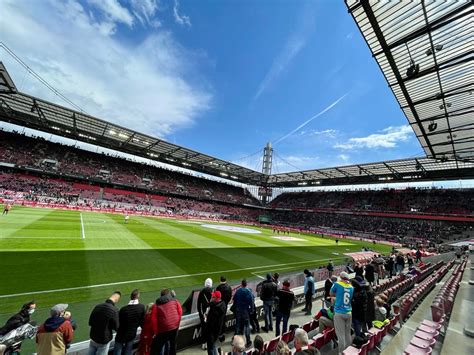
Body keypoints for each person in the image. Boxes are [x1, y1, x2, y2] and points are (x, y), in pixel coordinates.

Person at [150, 289, 182, 355]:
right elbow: (180, 312)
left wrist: (156, 332)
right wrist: (177, 324)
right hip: (174, 327)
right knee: (173, 346)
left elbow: (153, 320)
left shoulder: (156, 305)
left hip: (163, 329)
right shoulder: (175, 301)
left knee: (155, 349)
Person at [114, 289, 145, 355]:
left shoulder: (123, 309)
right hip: (131, 334)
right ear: (138, 296)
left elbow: (118, 322)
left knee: (117, 352)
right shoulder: (141, 307)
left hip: (121, 334)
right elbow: (142, 322)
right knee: (128, 351)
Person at [330, 272, 354, 354]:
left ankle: (341, 353)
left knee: (341, 336)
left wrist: (336, 296)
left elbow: (331, 293)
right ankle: (348, 352)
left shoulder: (337, 284)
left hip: (339, 313)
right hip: (348, 312)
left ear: (341, 277)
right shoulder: (351, 287)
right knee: (348, 334)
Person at [233, 279, 253, 348]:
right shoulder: (248, 292)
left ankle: (234, 340)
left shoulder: (238, 291)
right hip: (245, 311)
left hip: (239, 310)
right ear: (246, 284)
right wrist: (251, 310)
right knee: (247, 326)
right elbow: (251, 302)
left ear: (241, 284)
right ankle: (248, 341)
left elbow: (234, 299)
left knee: (238, 324)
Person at [206, 291, 226, 355]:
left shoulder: (215, 309)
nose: (211, 298)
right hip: (216, 332)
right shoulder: (221, 305)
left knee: (211, 348)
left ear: (217, 298)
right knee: (213, 346)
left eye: (213, 297)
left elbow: (211, 323)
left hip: (212, 332)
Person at [198, 278, 213, 350]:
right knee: (210, 329)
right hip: (211, 314)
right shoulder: (213, 291)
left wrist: (201, 315)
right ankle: (208, 343)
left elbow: (199, 304)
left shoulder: (202, 292)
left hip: (203, 314)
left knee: (204, 329)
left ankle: (204, 343)